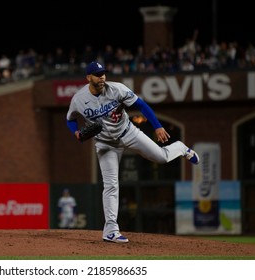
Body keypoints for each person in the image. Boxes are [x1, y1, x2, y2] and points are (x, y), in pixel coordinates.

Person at [66, 61, 200, 243]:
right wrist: (75, 132)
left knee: (161, 157)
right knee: (111, 185)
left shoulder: (117, 89)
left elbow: (142, 105)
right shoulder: (79, 99)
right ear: (88, 77)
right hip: (106, 144)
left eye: (103, 73)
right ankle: (111, 230)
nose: (102, 77)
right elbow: (70, 119)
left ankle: (181, 148)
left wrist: (158, 127)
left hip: (128, 132)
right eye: (98, 74)